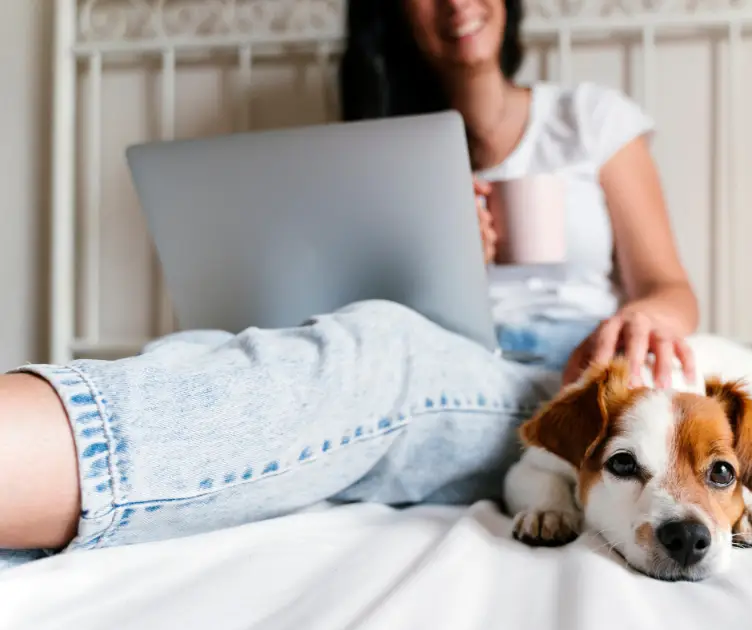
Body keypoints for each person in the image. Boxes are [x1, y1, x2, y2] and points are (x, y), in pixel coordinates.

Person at [0, 0, 699, 572]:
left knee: (381, 353)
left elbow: (671, 289)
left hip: (556, 381)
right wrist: (444, 250)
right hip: (450, 351)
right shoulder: (385, 151)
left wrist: (641, 317)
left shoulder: (590, 119)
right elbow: (355, 307)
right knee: (213, 347)